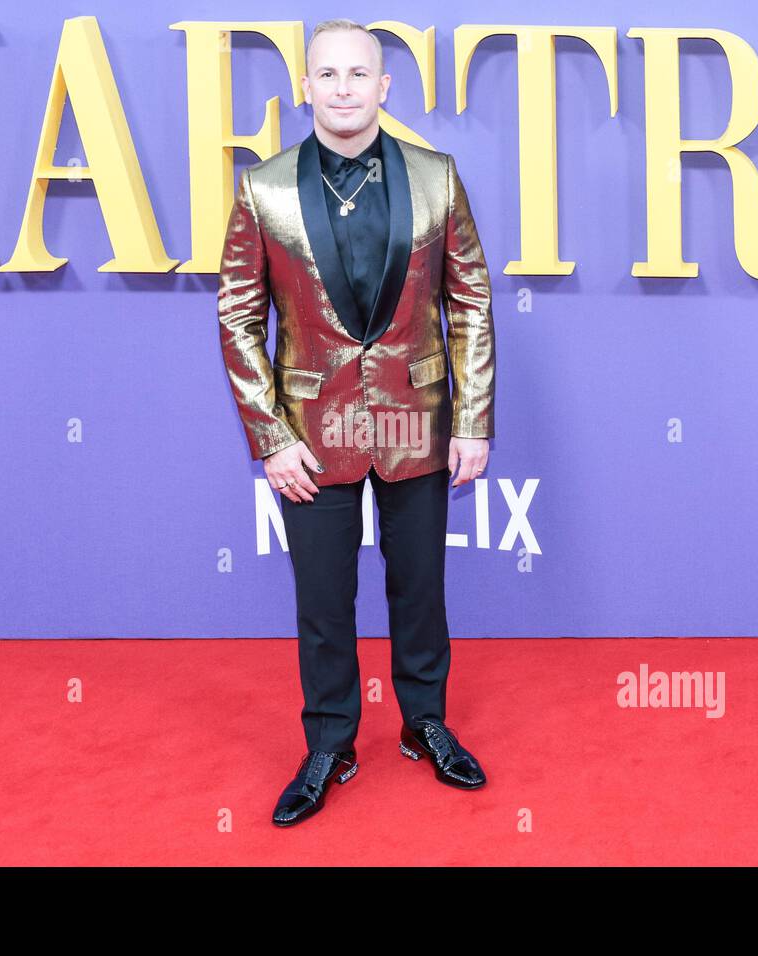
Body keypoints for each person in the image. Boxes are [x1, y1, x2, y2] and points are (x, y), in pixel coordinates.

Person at [217, 18, 496, 827]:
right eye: (327, 74)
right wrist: (271, 436)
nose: (342, 87)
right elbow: (238, 317)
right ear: (307, 87)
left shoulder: (437, 177)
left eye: (357, 74)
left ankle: (426, 723)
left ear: (384, 88)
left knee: (422, 590)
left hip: (420, 417)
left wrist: (472, 419)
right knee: (323, 599)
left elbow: (471, 299)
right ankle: (330, 741)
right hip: (311, 429)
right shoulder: (262, 189)